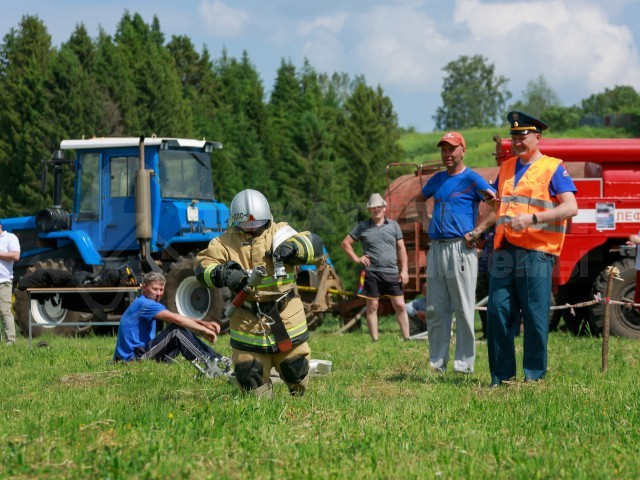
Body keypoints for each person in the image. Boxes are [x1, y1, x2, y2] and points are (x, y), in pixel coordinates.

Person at [194, 189, 324, 398]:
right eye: (246, 225)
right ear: (234, 222)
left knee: (295, 367)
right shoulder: (223, 243)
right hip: (247, 319)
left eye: (257, 224)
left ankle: (299, 400)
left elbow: (314, 244)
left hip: (285, 315)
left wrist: (294, 248)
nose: (252, 229)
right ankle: (260, 410)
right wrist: (225, 274)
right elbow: (202, 268)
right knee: (249, 373)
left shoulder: (281, 232)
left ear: (268, 219)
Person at [480, 111, 578, 386]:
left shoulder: (554, 167)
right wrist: (492, 201)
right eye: (513, 136)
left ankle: (534, 377)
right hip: (505, 250)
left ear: (538, 137)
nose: (517, 141)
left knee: (535, 315)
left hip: (537, 252)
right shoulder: (507, 167)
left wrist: (533, 218)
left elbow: (571, 207)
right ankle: (502, 377)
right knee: (497, 312)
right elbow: (502, 203)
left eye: (522, 136)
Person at [415, 132, 495, 373]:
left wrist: (478, 231)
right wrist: (425, 222)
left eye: (451, 149)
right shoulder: (437, 179)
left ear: (463, 150)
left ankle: (463, 366)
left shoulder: (472, 179)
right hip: (436, 249)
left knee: (462, 308)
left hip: (460, 249)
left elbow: (495, 206)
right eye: (443, 149)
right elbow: (420, 199)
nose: (447, 154)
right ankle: (437, 363)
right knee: (435, 309)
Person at [341, 193, 410, 342]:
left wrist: (404, 270)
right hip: (372, 273)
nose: (376, 210)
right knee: (372, 306)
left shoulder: (394, 225)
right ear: (369, 210)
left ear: (384, 208)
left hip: (392, 272)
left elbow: (401, 249)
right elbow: (345, 243)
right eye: (373, 208)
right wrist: (356, 258)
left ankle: (407, 338)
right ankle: (375, 340)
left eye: (379, 207)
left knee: (400, 305)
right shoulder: (362, 227)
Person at [113, 272, 223, 365]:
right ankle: (208, 360)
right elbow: (176, 319)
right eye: (155, 289)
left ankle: (216, 358)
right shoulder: (145, 303)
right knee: (176, 330)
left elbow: (177, 317)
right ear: (144, 287)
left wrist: (204, 324)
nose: (158, 294)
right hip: (134, 358)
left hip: (138, 353)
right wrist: (203, 329)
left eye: (161, 290)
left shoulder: (146, 302)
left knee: (178, 328)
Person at [0, 220, 20, 345]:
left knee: (4, 311)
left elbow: (16, 256)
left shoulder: (10, 238)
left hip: (3, 281)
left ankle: (10, 342)